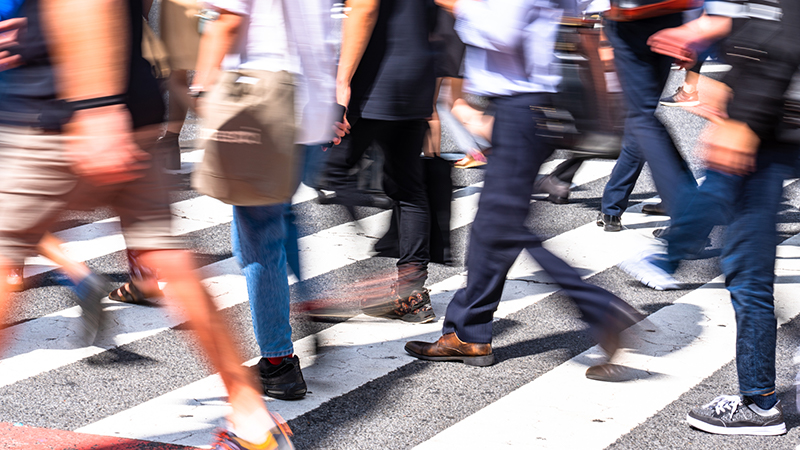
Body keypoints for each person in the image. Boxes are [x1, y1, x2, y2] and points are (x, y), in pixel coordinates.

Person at [0, 1, 292, 448]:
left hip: (61, 105)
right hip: (127, 94)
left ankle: (249, 409)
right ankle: (251, 415)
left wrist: (97, 106)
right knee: (164, 253)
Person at [405, 0, 643, 378]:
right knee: (491, 228)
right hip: (533, 100)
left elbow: (503, 31)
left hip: (523, 103)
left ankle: (600, 310)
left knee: (505, 223)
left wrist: (459, 6)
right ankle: (468, 332)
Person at [621, 1, 800, 435]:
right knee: (746, 268)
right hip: (770, 124)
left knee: (746, 272)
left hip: (768, 130)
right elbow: (756, 19)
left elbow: (784, 37)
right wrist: (704, 36)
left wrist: (744, 121)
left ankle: (758, 404)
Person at [192, 0, 339, 402]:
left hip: (263, 102)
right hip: (311, 105)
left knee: (259, 238)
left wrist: (202, 89)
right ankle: (297, 313)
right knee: (272, 224)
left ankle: (278, 363)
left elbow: (226, 19)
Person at [326, 0, 437, 323]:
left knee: (325, 171)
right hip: (415, 73)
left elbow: (364, 7)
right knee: (409, 189)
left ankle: (336, 292)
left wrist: (341, 81)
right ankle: (412, 293)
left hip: (374, 76)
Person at [595, 0, 699, 232]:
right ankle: (612, 206)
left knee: (641, 119)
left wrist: (603, 31)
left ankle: (686, 208)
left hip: (631, 19)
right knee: (642, 118)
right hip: (669, 17)